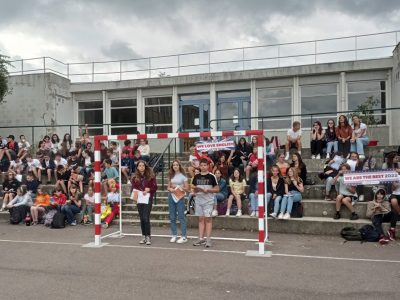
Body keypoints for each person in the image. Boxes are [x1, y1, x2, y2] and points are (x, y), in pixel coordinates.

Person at [192, 158, 219, 248]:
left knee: (208, 219)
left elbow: (217, 189)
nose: (203, 167)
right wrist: (195, 192)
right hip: (199, 200)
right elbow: (193, 188)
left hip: (208, 201)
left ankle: (208, 239)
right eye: (201, 165)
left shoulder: (212, 176)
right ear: (199, 166)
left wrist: (209, 190)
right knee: (200, 219)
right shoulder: (196, 177)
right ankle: (201, 238)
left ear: (208, 166)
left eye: (205, 165)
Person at [131, 160, 158, 245]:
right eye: (140, 166)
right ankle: (143, 235)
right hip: (139, 199)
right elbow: (133, 189)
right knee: (142, 218)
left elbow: (155, 187)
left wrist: (149, 189)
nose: (141, 167)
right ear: (137, 167)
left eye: (143, 165)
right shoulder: (135, 177)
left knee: (146, 217)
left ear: (145, 166)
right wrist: (136, 194)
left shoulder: (151, 176)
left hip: (148, 199)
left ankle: (148, 236)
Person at [167, 160, 189, 244]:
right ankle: (174, 235)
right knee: (172, 216)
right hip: (171, 196)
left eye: (177, 165)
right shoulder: (170, 175)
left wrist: (178, 186)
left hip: (180, 197)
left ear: (179, 166)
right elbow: (168, 187)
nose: (175, 166)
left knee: (181, 216)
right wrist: (171, 189)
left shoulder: (183, 176)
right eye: (173, 165)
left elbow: (187, 188)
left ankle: (183, 236)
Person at [388, 171, 400, 241]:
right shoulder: (396, 177)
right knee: (393, 202)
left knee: (394, 211)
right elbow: (393, 189)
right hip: (395, 194)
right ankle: (392, 230)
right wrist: (394, 184)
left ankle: (392, 230)